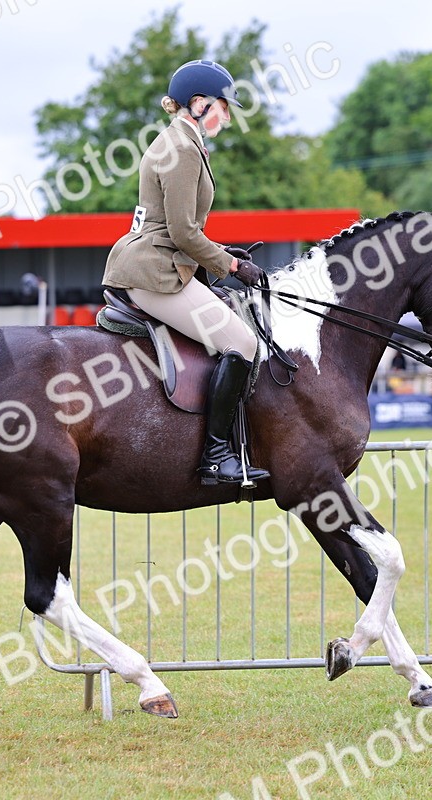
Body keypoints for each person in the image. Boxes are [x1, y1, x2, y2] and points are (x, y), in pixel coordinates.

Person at [102, 60, 269, 486]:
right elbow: (181, 230)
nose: (227, 118)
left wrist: (218, 252)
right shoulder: (181, 149)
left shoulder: (180, 141)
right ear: (198, 104)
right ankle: (216, 458)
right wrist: (230, 265)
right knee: (242, 341)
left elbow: (180, 229)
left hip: (158, 261)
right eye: (223, 108)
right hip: (153, 272)